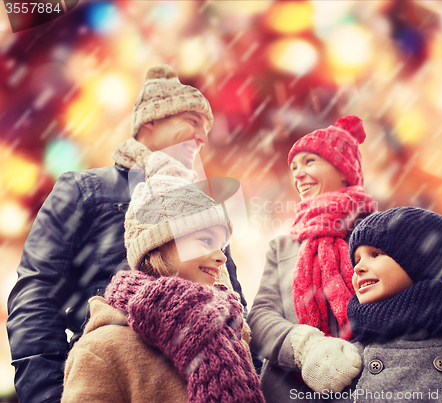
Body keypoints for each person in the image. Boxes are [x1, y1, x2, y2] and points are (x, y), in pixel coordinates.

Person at [7, 65, 244, 403]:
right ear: (150, 121)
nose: (203, 137)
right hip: (111, 382)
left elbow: (233, 298)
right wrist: (49, 395)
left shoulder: (204, 207)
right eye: (192, 122)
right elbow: (35, 297)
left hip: (203, 383)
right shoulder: (85, 190)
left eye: (206, 129)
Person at [61, 174, 264, 403]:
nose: (221, 257)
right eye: (206, 241)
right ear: (158, 245)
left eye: (221, 245)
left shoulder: (229, 333)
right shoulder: (101, 351)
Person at [247, 116, 377, 402]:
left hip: (368, 385)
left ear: (344, 170)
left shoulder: (379, 233)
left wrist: (354, 355)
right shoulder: (282, 246)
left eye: (309, 162)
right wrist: (306, 349)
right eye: (294, 167)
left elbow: (404, 301)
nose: (298, 174)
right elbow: (259, 317)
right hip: (287, 390)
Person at [335, 206, 442, 402]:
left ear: (422, 265)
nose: (359, 268)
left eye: (376, 254)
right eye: (356, 260)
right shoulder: (342, 363)